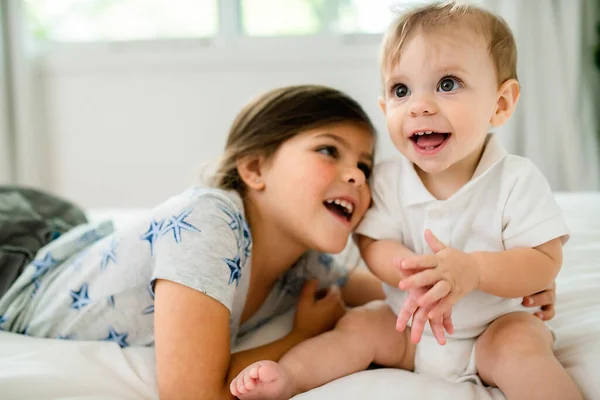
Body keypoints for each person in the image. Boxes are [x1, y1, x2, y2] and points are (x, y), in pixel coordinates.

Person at [231, 3, 581, 400]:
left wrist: (474, 270)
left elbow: (544, 261)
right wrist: (414, 275)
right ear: (385, 109)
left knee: (522, 349)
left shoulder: (515, 179)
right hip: (407, 325)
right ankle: (290, 378)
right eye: (401, 90)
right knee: (357, 329)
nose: (419, 105)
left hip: (494, 324)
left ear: (500, 104)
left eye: (447, 84)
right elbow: (372, 244)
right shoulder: (386, 179)